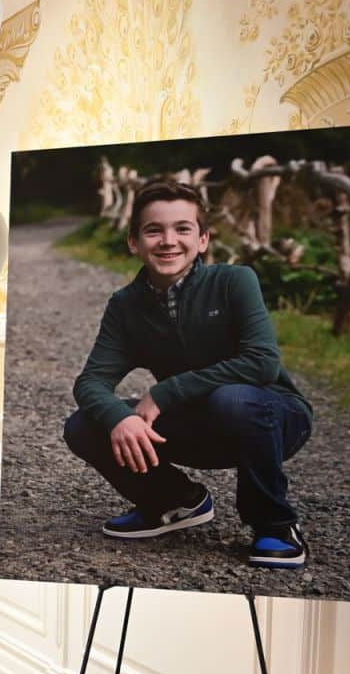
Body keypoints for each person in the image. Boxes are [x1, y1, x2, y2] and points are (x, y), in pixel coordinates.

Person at [62, 179, 315, 568]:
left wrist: (164, 392)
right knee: (83, 425)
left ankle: (275, 525)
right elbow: (91, 381)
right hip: (198, 425)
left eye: (182, 229)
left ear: (203, 240)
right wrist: (120, 417)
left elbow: (261, 362)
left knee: (231, 398)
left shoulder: (234, 281)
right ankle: (175, 502)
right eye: (153, 230)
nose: (168, 240)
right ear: (134, 242)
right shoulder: (126, 306)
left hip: (272, 418)